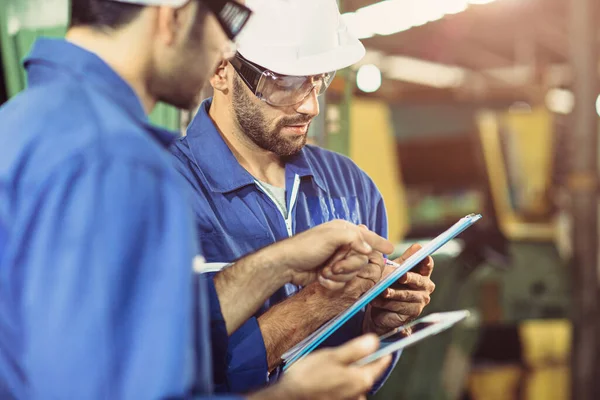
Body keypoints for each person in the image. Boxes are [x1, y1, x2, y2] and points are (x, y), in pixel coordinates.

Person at [0, 0, 397, 398]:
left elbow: (132, 335)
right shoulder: (111, 157)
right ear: (174, 15)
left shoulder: (27, 125)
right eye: (225, 22)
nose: (224, 45)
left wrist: (281, 263)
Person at [169, 0, 437, 393]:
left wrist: (379, 326)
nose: (310, 105)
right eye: (285, 82)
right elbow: (168, 364)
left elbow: (359, 375)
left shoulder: (351, 187)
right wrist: (316, 306)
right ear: (220, 68)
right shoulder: (167, 191)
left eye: (319, 78)